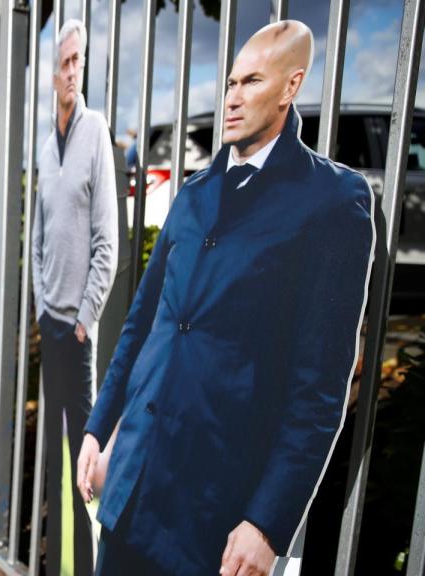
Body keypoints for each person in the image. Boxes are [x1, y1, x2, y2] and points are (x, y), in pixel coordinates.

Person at [76, 21, 374, 575]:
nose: (233, 97)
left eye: (252, 82)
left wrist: (267, 523)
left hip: (214, 518)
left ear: (290, 87)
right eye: (231, 82)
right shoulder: (193, 194)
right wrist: (99, 425)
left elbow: (318, 391)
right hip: (131, 492)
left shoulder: (331, 201)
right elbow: (143, 324)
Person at [30, 19, 119, 576]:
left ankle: (88, 566)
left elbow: (108, 241)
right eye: (64, 62)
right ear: (52, 73)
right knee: (53, 455)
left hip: (78, 332)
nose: (71, 71)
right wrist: (42, 303)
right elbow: (38, 237)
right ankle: (58, 559)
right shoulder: (45, 149)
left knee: (83, 460)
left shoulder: (97, 133)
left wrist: (85, 318)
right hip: (50, 323)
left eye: (78, 61)